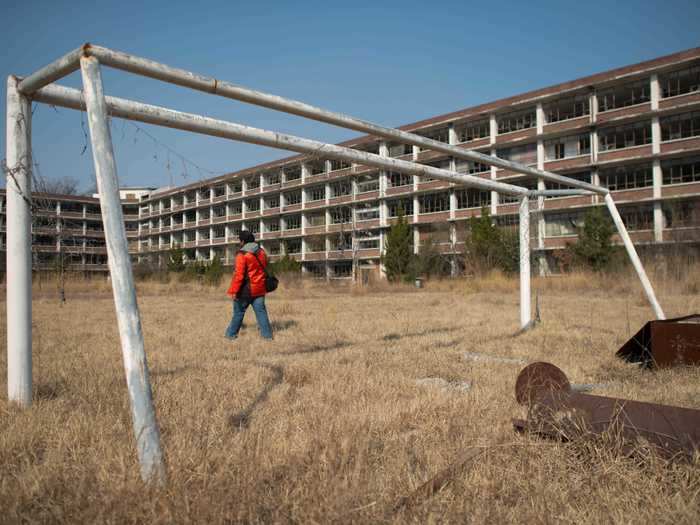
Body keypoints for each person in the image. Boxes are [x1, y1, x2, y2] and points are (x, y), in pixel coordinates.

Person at [225, 230, 273, 341]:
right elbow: (263, 267)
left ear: (242, 241)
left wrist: (234, 291)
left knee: (238, 313)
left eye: (240, 240)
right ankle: (267, 337)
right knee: (261, 313)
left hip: (245, 290)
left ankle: (230, 335)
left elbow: (239, 276)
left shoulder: (242, 254)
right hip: (260, 288)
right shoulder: (261, 252)